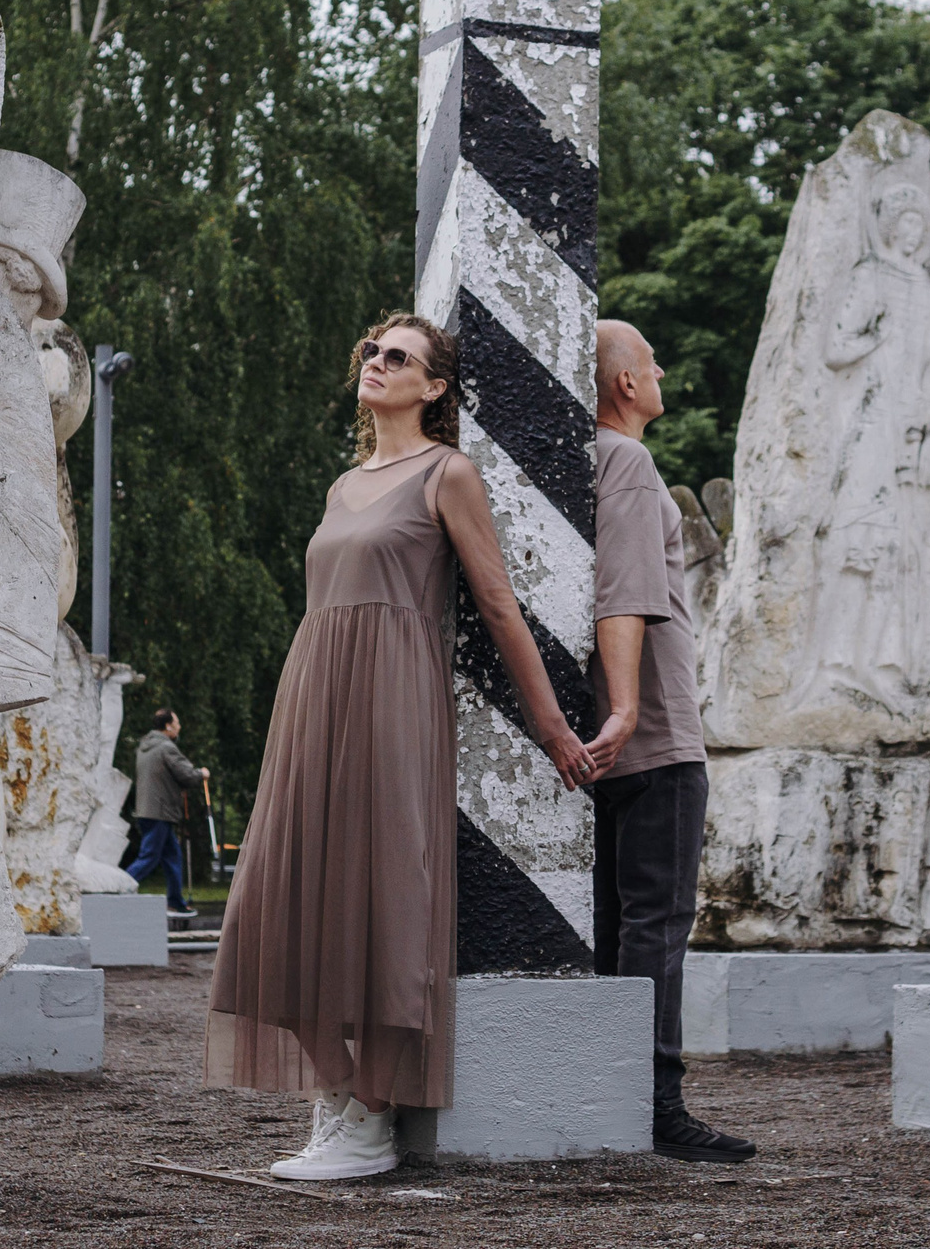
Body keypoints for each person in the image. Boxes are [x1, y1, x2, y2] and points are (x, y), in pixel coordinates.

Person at [205, 312, 594, 1181]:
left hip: (393, 702)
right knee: (272, 902)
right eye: (371, 351)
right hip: (314, 698)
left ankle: (372, 1121)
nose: (376, 363)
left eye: (397, 356)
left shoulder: (447, 472)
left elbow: (498, 605)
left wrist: (552, 727)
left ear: (434, 387)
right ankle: (342, 1094)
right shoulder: (343, 485)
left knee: (387, 903)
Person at [585, 320, 755, 1163]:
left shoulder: (583, 462)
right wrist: (628, 709)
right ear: (626, 383)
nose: (663, 377)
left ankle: (617, 1094)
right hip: (653, 734)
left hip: (618, 732)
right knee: (656, 924)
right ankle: (654, 1101)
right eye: (652, 365)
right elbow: (624, 592)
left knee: (617, 924)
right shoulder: (626, 461)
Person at [131, 708, 203, 916]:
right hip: (160, 812)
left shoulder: (144, 747)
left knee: (172, 857)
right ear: (168, 726)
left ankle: (175, 902)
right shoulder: (166, 747)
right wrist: (202, 774)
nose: (179, 727)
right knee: (149, 858)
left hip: (147, 810)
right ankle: (116, 889)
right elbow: (186, 774)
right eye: (177, 723)